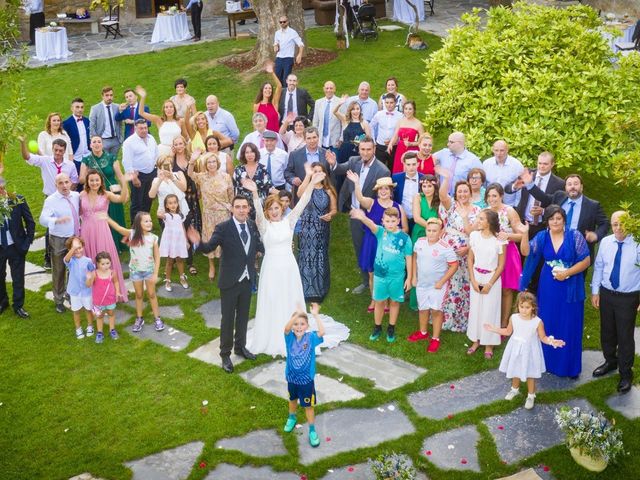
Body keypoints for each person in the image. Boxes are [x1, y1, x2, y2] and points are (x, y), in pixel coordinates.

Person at [245, 171, 325, 355]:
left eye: (277, 208)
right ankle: (273, 334)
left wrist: (312, 183)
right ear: (267, 212)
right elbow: (257, 211)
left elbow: (303, 202)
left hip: (289, 267)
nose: (274, 212)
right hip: (271, 269)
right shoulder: (264, 226)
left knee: (290, 298)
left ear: (282, 209)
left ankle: (296, 332)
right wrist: (255, 193)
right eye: (271, 209)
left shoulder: (289, 222)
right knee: (273, 299)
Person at [188, 196, 265, 373]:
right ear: (231, 209)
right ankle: (225, 354)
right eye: (237, 207)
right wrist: (198, 242)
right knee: (228, 319)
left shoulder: (252, 225)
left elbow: (258, 246)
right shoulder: (223, 228)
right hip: (229, 281)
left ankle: (240, 347)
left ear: (249, 209)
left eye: (244, 207)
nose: (241, 210)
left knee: (244, 316)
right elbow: (209, 247)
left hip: (247, 279)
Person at [520, 205, 591, 378]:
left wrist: (567, 273)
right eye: (552, 218)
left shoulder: (575, 236)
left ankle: (569, 366)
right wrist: (524, 233)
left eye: (558, 218)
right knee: (548, 321)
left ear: (564, 220)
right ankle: (547, 362)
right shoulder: (543, 236)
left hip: (570, 287)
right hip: (548, 286)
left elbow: (586, 261)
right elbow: (526, 251)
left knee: (569, 324)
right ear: (548, 221)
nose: (555, 221)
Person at [327, 136, 390, 294]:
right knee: (359, 248)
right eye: (363, 149)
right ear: (359, 149)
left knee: (375, 250)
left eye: (369, 149)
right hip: (354, 214)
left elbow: (384, 197)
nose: (365, 152)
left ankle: (379, 281)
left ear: (374, 149)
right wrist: (333, 163)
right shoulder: (354, 161)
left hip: (372, 217)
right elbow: (340, 169)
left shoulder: (382, 170)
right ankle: (365, 281)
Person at [485, 292, 566, 409]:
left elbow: (543, 338)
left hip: (530, 351)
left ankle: (531, 395)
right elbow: (508, 332)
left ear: (533, 307)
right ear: (517, 306)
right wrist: (494, 329)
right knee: (515, 369)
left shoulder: (537, 322)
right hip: (515, 348)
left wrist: (553, 342)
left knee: (530, 374)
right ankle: (514, 389)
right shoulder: (514, 318)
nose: (523, 310)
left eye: (527, 307)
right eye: (521, 307)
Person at [591, 211, 640, 394]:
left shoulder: (637, 243)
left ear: (629, 224)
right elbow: (599, 267)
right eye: (615, 224)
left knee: (625, 336)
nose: (618, 228)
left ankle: (626, 373)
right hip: (607, 294)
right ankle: (610, 361)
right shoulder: (605, 242)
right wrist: (596, 291)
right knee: (607, 331)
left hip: (628, 297)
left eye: (622, 224)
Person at [350, 207, 413, 343]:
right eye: (387, 221)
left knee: (395, 302)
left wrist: (409, 277)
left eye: (393, 221)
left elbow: (409, 258)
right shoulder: (381, 232)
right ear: (383, 221)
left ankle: (391, 327)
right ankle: (377, 327)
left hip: (397, 277)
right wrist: (362, 217)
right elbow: (371, 224)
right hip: (380, 276)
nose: (390, 224)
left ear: (398, 221)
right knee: (379, 301)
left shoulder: (405, 238)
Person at [347, 173, 407, 313]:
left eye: (387, 188)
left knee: (386, 273)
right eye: (381, 189)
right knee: (372, 274)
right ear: (377, 191)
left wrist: (393, 235)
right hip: (372, 243)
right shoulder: (371, 203)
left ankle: (385, 300)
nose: (384, 191)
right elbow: (360, 198)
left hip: (388, 245)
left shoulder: (398, 207)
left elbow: (405, 228)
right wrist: (356, 183)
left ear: (391, 191)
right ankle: (375, 299)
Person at [519, 172, 609, 260]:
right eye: (569, 184)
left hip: (577, 252)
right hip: (554, 247)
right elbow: (544, 198)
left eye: (576, 184)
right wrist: (530, 184)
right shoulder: (559, 196)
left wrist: (596, 235)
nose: (572, 187)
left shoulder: (592, 205)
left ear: (581, 187)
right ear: (565, 187)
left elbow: (605, 223)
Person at [106, 212, 164, 333]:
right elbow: (119, 228)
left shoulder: (153, 238)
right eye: (146, 221)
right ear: (139, 224)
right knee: (138, 295)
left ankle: (157, 318)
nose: (149, 223)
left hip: (149, 271)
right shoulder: (132, 234)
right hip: (136, 271)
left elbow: (157, 257)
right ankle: (139, 318)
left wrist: (155, 274)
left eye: (150, 221)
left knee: (152, 294)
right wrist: (107, 218)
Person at [438, 171, 481, 332]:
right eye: (460, 191)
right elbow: (442, 195)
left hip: (467, 250)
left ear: (470, 193)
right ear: (456, 193)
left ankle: (460, 319)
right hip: (449, 250)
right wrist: (447, 178)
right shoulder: (452, 206)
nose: (462, 194)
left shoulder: (477, 211)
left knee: (462, 283)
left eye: (465, 191)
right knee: (448, 281)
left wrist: (468, 248)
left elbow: (475, 234)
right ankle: (443, 317)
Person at [80, 168, 129, 303]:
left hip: (102, 231)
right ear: (87, 181)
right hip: (86, 231)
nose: (94, 183)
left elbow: (122, 199)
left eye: (97, 180)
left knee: (105, 258)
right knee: (89, 260)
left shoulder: (106, 194)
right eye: (91, 180)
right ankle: (93, 292)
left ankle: (112, 292)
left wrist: (124, 183)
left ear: (101, 181)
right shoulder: (82, 195)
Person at [409, 218, 458, 353]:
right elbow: (414, 257)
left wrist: (442, 281)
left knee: (436, 311)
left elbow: (454, 265)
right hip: (421, 283)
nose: (431, 233)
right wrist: (414, 276)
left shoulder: (445, 247)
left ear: (440, 231)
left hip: (437, 285)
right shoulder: (420, 242)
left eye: (434, 231)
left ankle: (435, 338)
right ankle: (423, 332)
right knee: (423, 308)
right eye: (429, 230)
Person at [283, 304, 325, 448]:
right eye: (296, 324)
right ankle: (292, 417)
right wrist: (296, 315)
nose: (299, 326)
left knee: (308, 405)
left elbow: (322, 332)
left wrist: (315, 315)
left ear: (307, 325)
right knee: (292, 399)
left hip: (306, 381)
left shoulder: (311, 337)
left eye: (302, 324)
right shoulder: (289, 338)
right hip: (292, 378)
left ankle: (312, 431)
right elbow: (286, 329)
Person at [188, 152, 234, 282]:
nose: (212, 164)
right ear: (206, 165)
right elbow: (190, 173)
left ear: (218, 163)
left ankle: (225, 266)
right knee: (209, 238)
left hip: (223, 213)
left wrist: (232, 209)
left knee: (225, 240)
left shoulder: (226, 177)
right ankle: (212, 266)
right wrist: (192, 160)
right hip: (208, 214)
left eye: (214, 162)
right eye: (209, 162)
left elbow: (231, 193)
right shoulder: (202, 177)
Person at [39, 174, 81, 314]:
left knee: (74, 268)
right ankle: (58, 300)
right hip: (58, 239)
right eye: (61, 183)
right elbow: (42, 220)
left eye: (66, 182)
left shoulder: (76, 196)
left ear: (70, 183)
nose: (64, 185)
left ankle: (70, 293)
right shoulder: (51, 200)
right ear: (56, 185)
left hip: (74, 238)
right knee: (59, 269)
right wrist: (56, 221)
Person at [466, 209, 505, 359]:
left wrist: (489, 284)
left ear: (489, 222)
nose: (477, 221)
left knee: (490, 310)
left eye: (481, 219)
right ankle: (476, 339)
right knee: (476, 309)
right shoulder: (474, 236)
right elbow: (470, 259)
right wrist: (473, 280)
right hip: (476, 275)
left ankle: (489, 343)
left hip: (491, 278)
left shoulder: (499, 240)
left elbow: (501, 265)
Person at [297, 162, 337, 303]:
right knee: (305, 256)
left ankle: (319, 290)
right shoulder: (307, 188)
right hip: (306, 228)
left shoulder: (328, 191)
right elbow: (299, 193)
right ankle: (304, 289)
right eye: (315, 171)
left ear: (325, 174)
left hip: (321, 228)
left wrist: (330, 215)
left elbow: (334, 209)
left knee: (319, 257)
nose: (318, 174)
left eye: (320, 171)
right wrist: (308, 177)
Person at [485, 183, 524, 328]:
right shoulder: (485, 212)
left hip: (508, 252)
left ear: (501, 196)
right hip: (489, 254)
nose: (491, 199)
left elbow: (521, 236)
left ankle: (504, 322)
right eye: (488, 196)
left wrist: (507, 235)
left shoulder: (509, 211)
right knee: (492, 287)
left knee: (506, 289)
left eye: (494, 195)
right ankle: (490, 320)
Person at [80, 136, 127, 252]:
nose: (96, 144)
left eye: (99, 142)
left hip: (111, 190)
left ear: (102, 144)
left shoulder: (112, 157)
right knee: (100, 218)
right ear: (90, 145)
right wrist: (91, 179)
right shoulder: (86, 160)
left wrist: (126, 191)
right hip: (95, 192)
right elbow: (81, 178)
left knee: (114, 217)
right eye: (94, 142)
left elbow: (120, 175)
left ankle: (116, 245)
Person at [505, 151, 565, 239]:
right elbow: (507, 189)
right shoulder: (528, 174)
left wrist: (544, 210)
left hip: (543, 226)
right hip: (522, 223)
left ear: (552, 164)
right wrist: (515, 186)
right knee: (520, 251)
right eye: (539, 163)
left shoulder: (559, 183)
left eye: (545, 164)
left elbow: (555, 204)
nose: (542, 166)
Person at [0, 178, 35, 319]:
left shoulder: (17, 200)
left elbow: (30, 222)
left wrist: (27, 243)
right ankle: (3, 302)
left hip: (16, 246)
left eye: (1, 188)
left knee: (18, 277)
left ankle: (18, 305)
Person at [172, 135, 202, 275]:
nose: (178, 146)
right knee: (181, 224)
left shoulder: (192, 158)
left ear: (185, 145)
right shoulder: (171, 161)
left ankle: (194, 248)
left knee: (192, 220)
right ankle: (179, 252)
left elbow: (198, 175)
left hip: (192, 193)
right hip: (178, 196)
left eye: (180, 144)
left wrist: (199, 190)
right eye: (176, 144)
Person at [122, 119, 159, 223]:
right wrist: (134, 178)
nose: (144, 130)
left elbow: (156, 154)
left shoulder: (151, 138)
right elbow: (127, 162)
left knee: (148, 200)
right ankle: (136, 227)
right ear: (135, 128)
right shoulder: (129, 142)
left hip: (151, 173)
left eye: (145, 128)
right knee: (137, 203)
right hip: (138, 175)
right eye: (141, 128)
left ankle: (145, 223)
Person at [135, 86, 187, 157]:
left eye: (171, 107)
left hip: (177, 151)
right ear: (164, 110)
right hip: (163, 152)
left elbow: (185, 137)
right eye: (166, 107)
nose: (169, 109)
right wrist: (143, 97)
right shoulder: (159, 120)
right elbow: (141, 112)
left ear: (174, 109)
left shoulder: (180, 121)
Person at [284, 127, 332, 199]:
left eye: (314, 137)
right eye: (309, 138)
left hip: (321, 192)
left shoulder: (326, 154)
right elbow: (288, 172)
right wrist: (293, 179)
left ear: (318, 138)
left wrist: (333, 164)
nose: (312, 141)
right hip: (302, 192)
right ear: (304, 139)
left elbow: (330, 173)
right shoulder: (294, 154)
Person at [63, 236, 95, 339]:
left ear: (83, 247)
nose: (78, 250)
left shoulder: (88, 260)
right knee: (76, 311)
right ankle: (78, 329)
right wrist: (73, 249)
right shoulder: (71, 261)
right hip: (75, 291)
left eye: (79, 247)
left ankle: (90, 326)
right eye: (74, 248)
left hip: (86, 291)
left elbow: (92, 271)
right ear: (70, 250)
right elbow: (65, 259)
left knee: (88, 309)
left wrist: (90, 278)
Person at [158, 194, 190, 292]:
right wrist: (160, 211)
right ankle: (168, 280)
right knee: (170, 261)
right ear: (166, 205)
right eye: (170, 203)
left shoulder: (180, 215)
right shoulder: (167, 216)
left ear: (177, 204)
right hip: (170, 241)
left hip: (179, 240)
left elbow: (183, 228)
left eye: (175, 203)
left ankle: (182, 277)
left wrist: (186, 240)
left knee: (180, 259)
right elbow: (159, 215)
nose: (173, 205)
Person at [88, 251, 121, 343]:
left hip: (110, 299)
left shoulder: (112, 272)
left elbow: (116, 282)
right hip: (98, 301)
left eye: (108, 263)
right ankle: (100, 332)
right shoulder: (95, 274)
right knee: (99, 316)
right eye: (103, 264)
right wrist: (89, 278)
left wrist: (117, 291)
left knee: (111, 313)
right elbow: (89, 285)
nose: (106, 266)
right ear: (97, 264)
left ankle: (112, 330)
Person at [232, 142, 274, 214]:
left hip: (260, 207)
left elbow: (269, 187)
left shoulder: (263, 169)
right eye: (247, 152)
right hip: (242, 208)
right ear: (243, 155)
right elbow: (234, 188)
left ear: (256, 153)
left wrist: (281, 194)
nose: (249, 155)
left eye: (252, 152)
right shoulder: (238, 170)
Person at [482, 140, 524, 207]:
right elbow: (483, 186)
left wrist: (516, 206)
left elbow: (520, 189)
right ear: (493, 150)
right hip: (490, 205)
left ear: (507, 150)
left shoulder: (517, 165)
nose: (499, 153)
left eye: (502, 150)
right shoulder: (486, 164)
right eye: (496, 150)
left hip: (509, 205)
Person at [388, 101, 424, 174]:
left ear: (414, 110)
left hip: (412, 150)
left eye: (410, 109)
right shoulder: (400, 121)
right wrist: (390, 144)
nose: (408, 111)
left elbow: (422, 141)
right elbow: (395, 135)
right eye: (406, 109)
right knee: (399, 169)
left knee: (410, 169)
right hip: (400, 149)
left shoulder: (418, 124)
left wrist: (411, 144)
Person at [334, 96, 372, 166]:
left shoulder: (364, 123)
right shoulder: (345, 120)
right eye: (353, 109)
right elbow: (335, 112)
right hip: (344, 151)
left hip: (358, 153)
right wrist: (340, 104)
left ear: (360, 110)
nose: (356, 111)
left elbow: (369, 140)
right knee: (342, 171)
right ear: (350, 111)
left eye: (357, 109)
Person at [148, 156, 188, 220]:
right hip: (164, 212)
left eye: (168, 164)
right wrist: (160, 180)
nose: (166, 167)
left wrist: (172, 178)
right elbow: (151, 195)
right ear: (160, 167)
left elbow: (184, 188)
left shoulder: (179, 174)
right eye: (164, 165)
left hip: (180, 209)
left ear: (171, 166)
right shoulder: (156, 180)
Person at [392, 152, 423, 233]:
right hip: (401, 219)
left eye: (413, 164)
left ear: (418, 164)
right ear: (404, 165)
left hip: (418, 219)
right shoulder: (396, 178)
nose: (411, 167)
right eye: (408, 165)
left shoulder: (424, 179)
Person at [370, 93, 402, 170]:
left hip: (394, 147)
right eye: (387, 103)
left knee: (393, 168)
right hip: (380, 146)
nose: (389, 105)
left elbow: (401, 132)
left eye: (391, 103)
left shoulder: (400, 116)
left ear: (395, 103)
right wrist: (373, 141)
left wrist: (395, 141)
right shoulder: (379, 114)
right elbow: (371, 126)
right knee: (378, 168)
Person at [89, 86, 123, 156]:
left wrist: (120, 139)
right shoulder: (95, 108)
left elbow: (121, 121)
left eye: (111, 95)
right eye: (107, 95)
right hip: (103, 140)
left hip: (116, 141)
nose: (109, 97)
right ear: (102, 96)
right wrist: (96, 141)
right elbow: (92, 125)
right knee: (103, 163)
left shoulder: (117, 107)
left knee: (113, 162)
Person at [273, 15, 304, 87]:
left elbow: (301, 44)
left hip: (288, 58)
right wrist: (275, 46)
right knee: (278, 79)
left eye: (284, 22)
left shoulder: (292, 32)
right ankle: (279, 96)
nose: (282, 23)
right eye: (280, 22)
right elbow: (275, 43)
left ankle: (286, 95)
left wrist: (299, 55)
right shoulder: (277, 33)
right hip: (279, 58)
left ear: (288, 22)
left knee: (286, 80)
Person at [62, 98, 91, 171]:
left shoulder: (87, 121)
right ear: (72, 108)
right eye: (77, 107)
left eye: (82, 107)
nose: (80, 109)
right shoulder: (66, 124)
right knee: (78, 180)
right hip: (75, 157)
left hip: (88, 155)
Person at [312, 81, 341, 151]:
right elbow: (315, 122)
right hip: (321, 140)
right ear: (323, 89)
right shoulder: (318, 102)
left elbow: (343, 122)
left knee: (335, 161)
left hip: (335, 141)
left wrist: (341, 139)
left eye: (331, 88)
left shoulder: (340, 102)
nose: (329, 90)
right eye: (327, 88)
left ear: (334, 89)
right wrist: (314, 137)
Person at [253, 65, 283, 134]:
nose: (268, 90)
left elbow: (279, 86)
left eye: (270, 88)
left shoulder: (274, 103)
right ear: (262, 90)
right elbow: (255, 124)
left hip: (275, 136)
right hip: (263, 137)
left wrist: (272, 73)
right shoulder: (257, 106)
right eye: (266, 88)